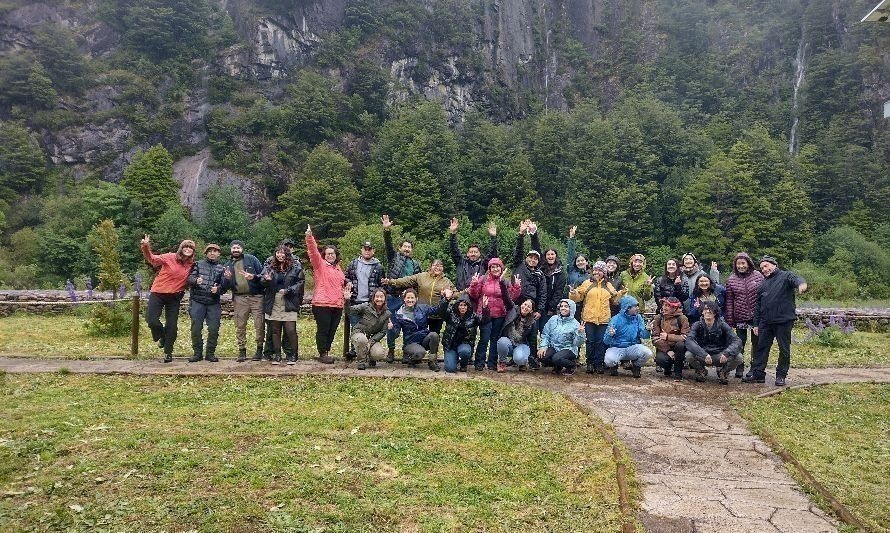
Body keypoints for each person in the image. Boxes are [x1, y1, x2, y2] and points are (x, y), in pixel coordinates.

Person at [744, 256, 807, 387]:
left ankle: (781, 375)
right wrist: (755, 324)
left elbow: (796, 279)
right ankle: (758, 374)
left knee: (784, 349)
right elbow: (758, 306)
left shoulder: (786, 276)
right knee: (761, 348)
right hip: (765, 322)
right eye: (761, 268)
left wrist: (801, 284)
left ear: (774, 265)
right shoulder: (762, 285)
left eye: (766, 266)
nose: (764, 270)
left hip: (783, 321)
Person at [140, 235, 195, 363]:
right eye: (185, 246)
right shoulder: (170, 257)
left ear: (193, 251)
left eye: (190, 247)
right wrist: (146, 246)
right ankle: (162, 336)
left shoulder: (192, 265)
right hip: (158, 293)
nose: (188, 249)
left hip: (174, 297)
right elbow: (152, 259)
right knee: (152, 320)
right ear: (181, 248)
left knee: (172, 326)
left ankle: (168, 352)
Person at [468, 258, 521, 370]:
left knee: (495, 339)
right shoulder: (483, 279)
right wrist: (473, 285)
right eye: (493, 267)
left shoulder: (505, 281)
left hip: (500, 314)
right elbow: (474, 295)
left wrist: (516, 287)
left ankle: (492, 363)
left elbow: (512, 298)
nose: (495, 269)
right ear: (489, 269)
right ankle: (479, 363)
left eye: (497, 266)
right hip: (485, 313)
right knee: (484, 338)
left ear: (501, 268)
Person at [382, 214, 422, 361]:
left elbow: (417, 283)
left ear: (412, 249)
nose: (407, 249)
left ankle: (406, 351)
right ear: (400, 248)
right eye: (405, 246)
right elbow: (388, 244)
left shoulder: (416, 264)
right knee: (392, 326)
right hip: (393, 297)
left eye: (409, 247)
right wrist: (387, 231)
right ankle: (391, 351)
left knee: (408, 326)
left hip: (407, 300)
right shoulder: (394, 258)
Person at [305, 225, 348, 364]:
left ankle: (326, 352)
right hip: (322, 304)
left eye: (332, 253)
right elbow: (313, 252)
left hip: (337, 304)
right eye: (328, 253)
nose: (330, 255)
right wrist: (309, 237)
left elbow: (341, 283)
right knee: (323, 330)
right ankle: (322, 352)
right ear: (324, 255)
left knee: (332, 330)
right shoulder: (320, 265)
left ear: (336, 255)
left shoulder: (338, 268)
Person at [569, 261, 618, 374]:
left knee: (600, 342)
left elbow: (615, 300)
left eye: (600, 270)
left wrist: (622, 293)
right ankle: (590, 363)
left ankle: (599, 363)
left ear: (604, 273)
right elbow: (578, 297)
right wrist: (572, 292)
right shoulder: (587, 283)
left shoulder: (608, 285)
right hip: (589, 318)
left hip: (604, 319)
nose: (597, 272)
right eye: (595, 270)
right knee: (590, 341)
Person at [383, 259, 454, 336]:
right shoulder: (422, 276)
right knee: (420, 335)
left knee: (434, 336)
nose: (437, 268)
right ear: (430, 266)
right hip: (422, 313)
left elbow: (455, 293)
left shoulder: (446, 281)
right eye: (435, 265)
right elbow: (406, 280)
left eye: (440, 266)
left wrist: (450, 293)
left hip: (437, 315)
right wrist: (391, 281)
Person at [261, 245, 304, 364]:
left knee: (290, 330)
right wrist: (266, 280)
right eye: (277, 253)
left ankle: (293, 355)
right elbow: (262, 281)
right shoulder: (269, 267)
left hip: (289, 300)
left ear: (287, 254)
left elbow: (300, 283)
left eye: (282, 253)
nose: (280, 255)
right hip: (274, 300)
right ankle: (277, 355)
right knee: (275, 330)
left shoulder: (295, 267)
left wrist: (288, 290)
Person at [724, 252, 764, 378]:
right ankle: (739, 366)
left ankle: (754, 367)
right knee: (740, 343)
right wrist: (730, 320)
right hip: (740, 316)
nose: (741, 266)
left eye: (743, 263)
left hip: (756, 317)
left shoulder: (758, 276)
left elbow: (763, 296)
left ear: (748, 263)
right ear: (735, 265)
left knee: (756, 343)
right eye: (738, 263)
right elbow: (729, 301)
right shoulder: (731, 280)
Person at [223, 240, 265, 362]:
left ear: (242, 249)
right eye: (234, 248)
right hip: (239, 298)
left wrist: (254, 278)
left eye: (238, 247)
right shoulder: (228, 265)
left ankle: (259, 349)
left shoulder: (251, 259)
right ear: (231, 250)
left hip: (256, 297)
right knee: (240, 325)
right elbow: (225, 285)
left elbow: (262, 275)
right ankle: (242, 350)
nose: (236, 250)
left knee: (259, 324)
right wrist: (227, 279)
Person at [511, 219, 546, 358]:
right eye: (530, 257)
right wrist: (521, 234)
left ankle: (531, 358)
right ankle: (512, 356)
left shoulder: (540, 274)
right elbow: (518, 251)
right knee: (512, 330)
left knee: (532, 332)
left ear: (538, 261)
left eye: (535, 258)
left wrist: (539, 310)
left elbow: (543, 293)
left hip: (531, 308)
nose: (532, 260)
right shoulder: (519, 265)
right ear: (526, 258)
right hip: (515, 304)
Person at [345, 240, 385, 360]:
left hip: (371, 304)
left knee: (371, 327)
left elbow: (381, 286)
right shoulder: (353, 264)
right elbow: (346, 277)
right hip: (355, 301)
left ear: (373, 251)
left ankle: (370, 352)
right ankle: (355, 350)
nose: (367, 251)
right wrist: (348, 282)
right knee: (356, 326)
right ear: (361, 250)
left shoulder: (379, 266)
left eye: (370, 249)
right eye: (365, 249)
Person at [685, 301, 742, 385]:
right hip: (703, 356)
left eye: (711, 309)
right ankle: (701, 371)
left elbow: (737, 340)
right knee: (688, 355)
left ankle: (723, 372)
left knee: (739, 357)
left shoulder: (723, 325)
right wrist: (704, 354)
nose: (708, 311)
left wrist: (726, 353)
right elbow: (689, 341)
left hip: (720, 355)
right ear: (702, 312)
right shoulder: (697, 325)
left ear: (715, 313)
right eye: (705, 309)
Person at [186, 244, 226, 362]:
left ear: (219, 254)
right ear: (206, 253)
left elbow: (224, 286)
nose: (212, 253)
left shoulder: (221, 268)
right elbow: (189, 278)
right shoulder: (198, 264)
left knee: (214, 328)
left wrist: (218, 290)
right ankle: (197, 353)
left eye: (215, 251)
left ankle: (210, 354)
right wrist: (195, 280)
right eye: (210, 251)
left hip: (213, 302)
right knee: (196, 328)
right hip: (197, 301)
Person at [439, 290, 490, 373]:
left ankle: (464, 364)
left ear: (468, 306)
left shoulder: (473, 316)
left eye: (465, 305)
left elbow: (484, 321)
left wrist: (485, 308)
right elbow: (441, 313)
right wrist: (445, 300)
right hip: (450, 345)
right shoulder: (451, 314)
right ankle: (453, 359)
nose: (462, 307)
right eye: (460, 305)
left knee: (465, 351)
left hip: (464, 344)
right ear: (457, 305)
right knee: (450, 368)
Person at [390, 288, 441, 371]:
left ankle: (432, 361)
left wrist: (444, 299)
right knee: (420, 353)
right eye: (408, 298)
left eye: (412, 298)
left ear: (416, 299)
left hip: (423, 339)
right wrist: (391, 328)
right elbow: (396, 334)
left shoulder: (423, 308)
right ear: (404, 299)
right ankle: (411, 358)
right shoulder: (399, 315)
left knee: (434, 335)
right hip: (410, 342)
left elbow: (437, 310)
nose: (410, 300)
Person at [603, 295, 653, 378]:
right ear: (627, 308)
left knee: (647, 353)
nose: (637, 308)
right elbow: (606, 341)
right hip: (617, 348)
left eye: (637, 306)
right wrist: (610, 334)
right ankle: (613, 367)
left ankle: (636, 367)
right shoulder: (615, 319)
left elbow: (644, 336)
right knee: (609, 360)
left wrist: (647, 330)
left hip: (632, 348)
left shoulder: (639, 318)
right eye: (635, 306)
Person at [538, 299, 585, 375]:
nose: (563, 308)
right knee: (541, 356)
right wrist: (543, 346)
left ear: (571, 308)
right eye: (561, 306)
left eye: (566, 306)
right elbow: (545, 334)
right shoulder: (553, 319)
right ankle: (558, 366)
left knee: (556, 358)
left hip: (568, 349)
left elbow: (577, 344)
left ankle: (572, 366)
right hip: (554, 347)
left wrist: (580, 333)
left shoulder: (576, 324)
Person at [449, 217, 498, 291]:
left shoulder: (483, 264)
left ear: (479, 254)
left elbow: (492, 253)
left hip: (478, 297)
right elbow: (454, 250)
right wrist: (453, 234)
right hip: (461, 296)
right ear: (467, 254)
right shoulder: (461, 263)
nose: (473, 254)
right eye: (471, 252)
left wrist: (493, 237)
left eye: (475, 252)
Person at [348, 288, 391, 370]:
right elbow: (349, 311)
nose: (379, 299)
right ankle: (361, 361)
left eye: (381, 297)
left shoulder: (387, 313)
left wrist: (371, 342)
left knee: (379, 354)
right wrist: (347, 300)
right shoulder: (365, 306)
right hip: (359, 333)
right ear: (373, 298)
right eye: (377, 296)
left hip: (372, 337)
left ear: (385, 298)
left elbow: (383, 332)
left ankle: (371, 357)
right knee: (362, 340)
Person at [652, 297, 690, 381]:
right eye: (663, 305)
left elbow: (685, 337)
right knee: (661, 359)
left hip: (679, 348)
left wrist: (668, 336)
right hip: (664, 348)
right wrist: (668, 350)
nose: (664, 308)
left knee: (680, 345)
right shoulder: (658, 318)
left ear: (674, 307)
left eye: (667, 306)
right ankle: (667, 368)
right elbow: (655, 338)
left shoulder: (682, 318)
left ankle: (678, 373)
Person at [497, 298, 538, 371]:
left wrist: (531, 356)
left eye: (528, 307)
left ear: (531, 310)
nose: (525, 307)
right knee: (502, 341)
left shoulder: (532, 322)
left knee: (520, 358)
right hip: (508, 342)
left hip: (521, 344)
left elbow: (533, 339)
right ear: (521, 304)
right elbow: (506, 298)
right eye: (525, 304)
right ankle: (502, 362)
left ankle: (522, 363)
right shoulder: (512, 311)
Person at [540, 246, 567, 332]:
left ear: (556, 256)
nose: (550, 256)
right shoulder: (541, 270)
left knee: (551, 330)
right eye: (548, 254)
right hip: (540, 306)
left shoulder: (560, 273)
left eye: (552, 254)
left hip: (552, 308)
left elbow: (558, 292)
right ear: (545, 257)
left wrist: (551, 308)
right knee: (541, 330)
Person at [565, 226, 590, 293]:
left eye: (582, 260)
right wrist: (571, 239)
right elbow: (570, 254)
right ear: (575, 263)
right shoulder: (571, 271)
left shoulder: (590, 275)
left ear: (586, 262)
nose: (580, 262)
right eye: (578, 261)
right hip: (571, 299)